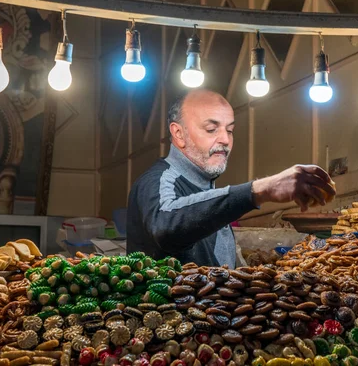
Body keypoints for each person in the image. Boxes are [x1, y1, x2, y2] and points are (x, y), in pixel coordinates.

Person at [127, 89, 335, 268]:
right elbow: (166, 226)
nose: (225, 140)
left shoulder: (207, 186)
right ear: (178, 133)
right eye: (211, 129)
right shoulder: (158, 180)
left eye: (230, 130)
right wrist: (259, 190)